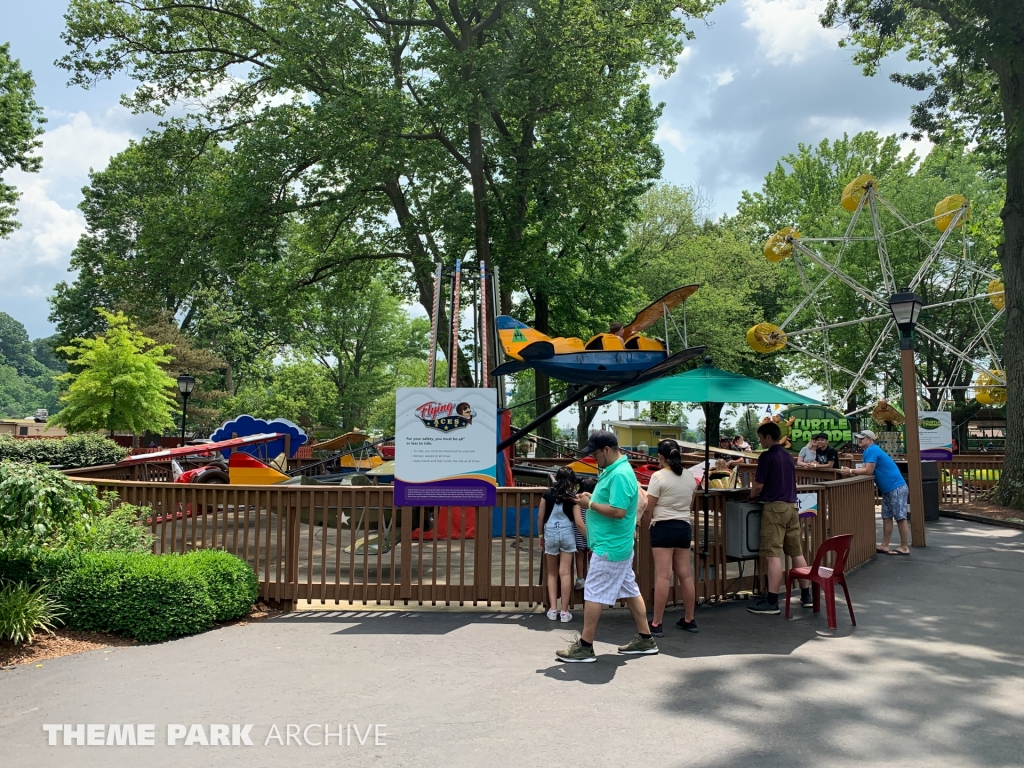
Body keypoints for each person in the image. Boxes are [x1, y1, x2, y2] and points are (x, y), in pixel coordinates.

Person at [556, 430, 657, 662]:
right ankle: (645, 639)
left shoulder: (620, 474)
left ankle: (585, 646)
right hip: (616, 544)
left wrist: (589, 503)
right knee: (630, 590)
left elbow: (619, 512)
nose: (594, 458)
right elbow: (613, 504)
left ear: (607, 450)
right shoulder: (617, 471)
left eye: (595, 454)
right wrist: (592, 499)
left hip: (610, 546)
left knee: (593, 592)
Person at [747, 422, 813, 615]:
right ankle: (806, 595)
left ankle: (772, 600)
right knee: (796, 551)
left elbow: (758, 485)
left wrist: (751, 496)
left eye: (760, 437)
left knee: (772, 554)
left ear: (768, 437)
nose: (759, 440)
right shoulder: (787, 456)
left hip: (774, 507)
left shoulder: (767, 456)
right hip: (792, 506)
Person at [643, 439, 698, 637]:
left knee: (663, 575)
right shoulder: (690, 476)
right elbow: (690, 504)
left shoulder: (658, 477)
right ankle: (689, 619)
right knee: (685, 574)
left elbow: (649, 507)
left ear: (661, 456)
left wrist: (649, 524)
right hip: (683, 525)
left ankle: (657, 622)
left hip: (663, 526)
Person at [840, 430, 910, 555]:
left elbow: (868, 471)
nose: (859, 440)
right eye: (859, 438)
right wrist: (851, 471)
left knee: (900, 517)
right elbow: (863, 468)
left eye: (862, 438)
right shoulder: (868, 451)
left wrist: (850, 471)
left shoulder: (872, 450)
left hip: (896, 487)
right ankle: (885, 545)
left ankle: (904, 546)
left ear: (870, 440)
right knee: (886, 517)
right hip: (888, 488)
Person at [538, 467, 579, 622]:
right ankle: (564, 612)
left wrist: (541, 535)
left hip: (550, 532)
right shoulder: (572, 496)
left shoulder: (547, 494)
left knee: (552, 573)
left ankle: (553, 609)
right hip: (567, 532)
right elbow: (577, 519)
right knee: (566, 573)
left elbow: (540, 516)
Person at [572, 476, 596, 590]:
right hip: (592, 532)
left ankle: (581, 578)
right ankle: (593, 577)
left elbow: (579, 523)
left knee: (580, 555)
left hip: (579, 532)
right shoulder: (594, 501)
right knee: (592, 556)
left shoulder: (578, 502)